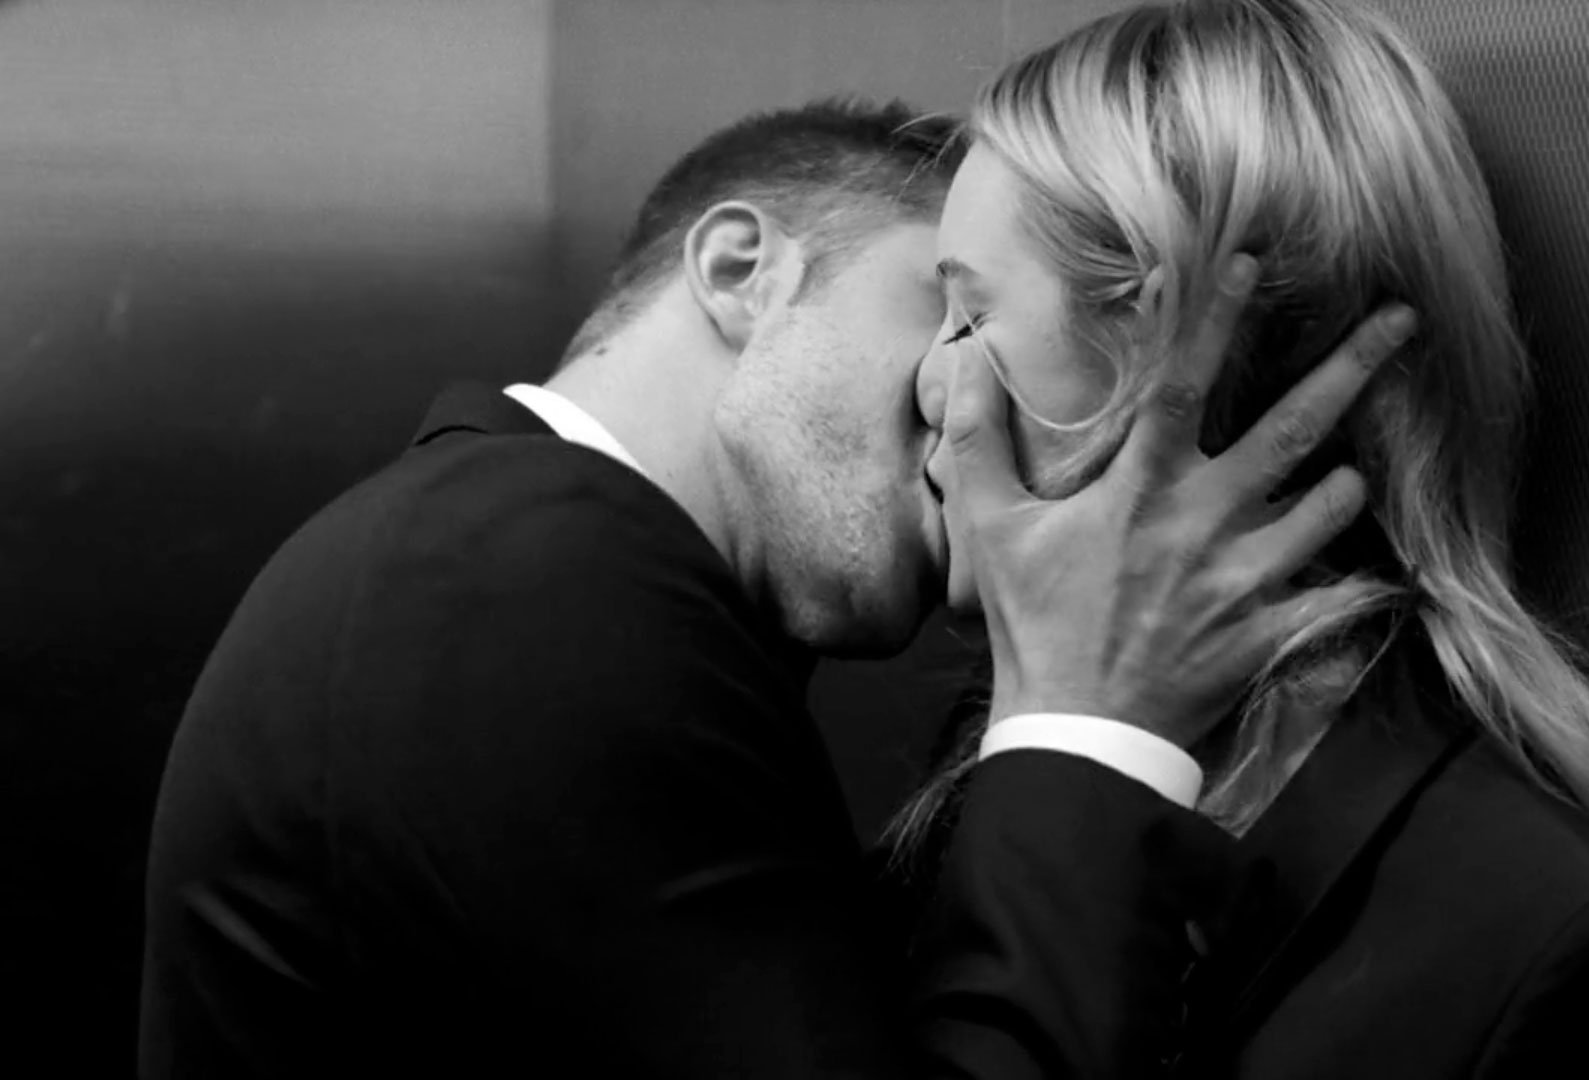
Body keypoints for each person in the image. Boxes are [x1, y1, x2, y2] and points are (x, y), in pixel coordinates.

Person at [138, 98, 1415, 1078]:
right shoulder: (514, 578)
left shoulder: (511, 566)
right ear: (743, 269)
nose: (968, 401)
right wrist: (1087, 723)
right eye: (947, 309)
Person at [883, 2, 1589, 1077]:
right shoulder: (999, 755)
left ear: (1169, 351)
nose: (930, 384)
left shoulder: (1540, 943)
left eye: (970, 317)